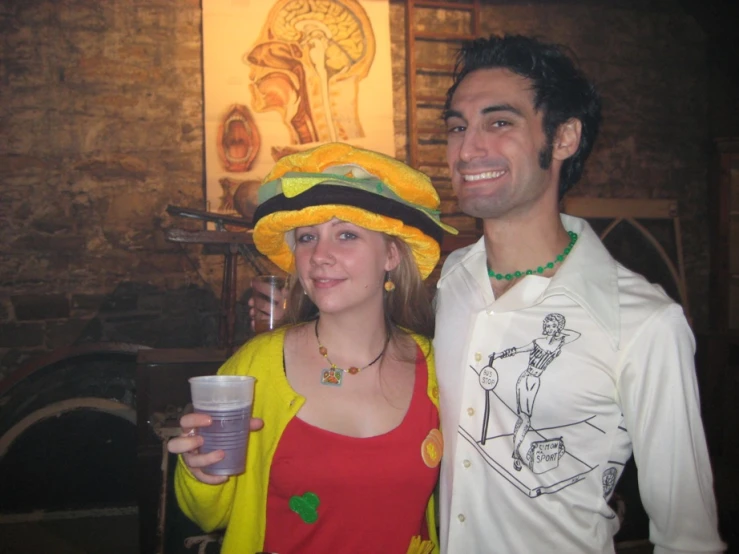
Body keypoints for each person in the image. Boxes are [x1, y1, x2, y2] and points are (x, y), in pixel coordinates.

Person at [434, 34, 725, 553]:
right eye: (458, 126)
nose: (468, 147)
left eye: (499, 123)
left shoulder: (643, 322)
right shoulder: (451, 279)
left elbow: (689, 538)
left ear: (564, 138)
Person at [167, 142, 457, 554]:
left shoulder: (437, 366)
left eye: (346, 235)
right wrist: (201, 473)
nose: (320, 255)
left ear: (391, 254)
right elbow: (208, 515)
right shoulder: (256, 367)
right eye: (306, 238)